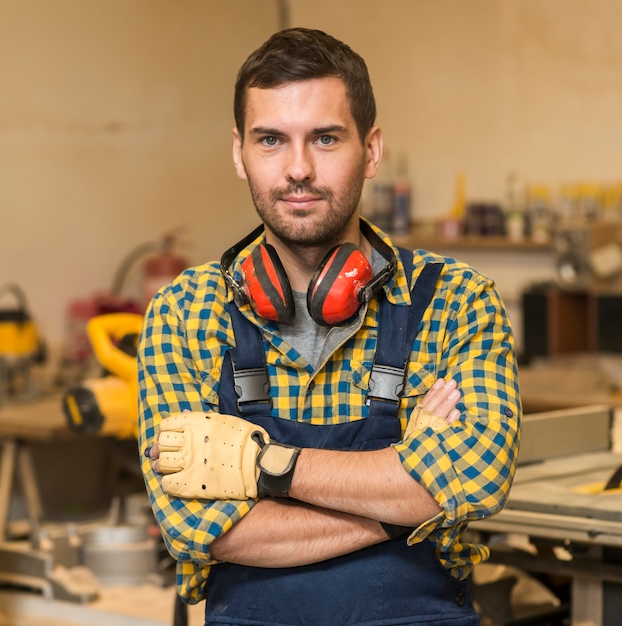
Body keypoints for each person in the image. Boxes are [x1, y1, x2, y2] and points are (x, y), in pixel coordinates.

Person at [138, 27, 521, 625]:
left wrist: (266, 469)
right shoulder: (183, 315)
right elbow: (202, 532)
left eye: (325, 138)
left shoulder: (456, 301)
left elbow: (476, 478)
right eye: (271, 140)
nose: (298, 168)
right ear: (239, 152)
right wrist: (405, 495)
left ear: (370, 149)